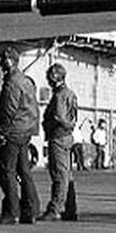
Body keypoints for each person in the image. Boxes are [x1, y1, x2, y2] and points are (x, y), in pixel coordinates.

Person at [0, 45, 41, 224]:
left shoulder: (12, 82)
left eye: (3, 60)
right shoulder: (26, 81)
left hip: (12, 133)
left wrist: (2, 133)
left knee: (7, 173)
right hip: (24, 132)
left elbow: (8, 110)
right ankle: (31, 209)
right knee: (24, 171)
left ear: (8, 60)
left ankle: (12, 212)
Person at [38, 63, 78, 222]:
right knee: (67, 174)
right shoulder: (70, 94)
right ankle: (70, 208)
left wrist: (50, 124)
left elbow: (59, 116)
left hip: (58, 137)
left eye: (49, 77)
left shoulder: (59, 96)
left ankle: (55, 208)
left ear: (55, 77)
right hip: (67, 137)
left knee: (59, 174)